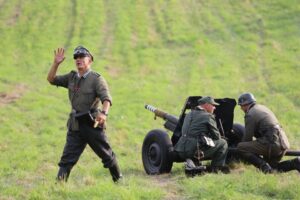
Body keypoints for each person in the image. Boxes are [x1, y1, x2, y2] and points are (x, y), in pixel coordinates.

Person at [47, 46, 122, 182]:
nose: (78, 59)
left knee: (106, 155)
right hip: (75, 124)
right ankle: (59, 188)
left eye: (82, 57)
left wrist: (104, 114)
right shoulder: (71, 77)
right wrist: (56, 64)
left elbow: (107, 99)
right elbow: (51, 79)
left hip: (92, 123)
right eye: (76, 57)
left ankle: (119, 180)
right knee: (67, 159)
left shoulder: (96, 79)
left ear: (90, 60)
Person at [237, 92, 300, 173]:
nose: (241, 108)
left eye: (241, 106)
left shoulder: (250, 114)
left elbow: (247, 138)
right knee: (273, 169)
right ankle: (295, 163)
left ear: (245, 104)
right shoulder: (262, 108)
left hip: (271, 144)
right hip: (282, 142)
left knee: (241, 147)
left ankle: (264, 166)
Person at [174, 96, 229, 173]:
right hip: (194, 151)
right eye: (213, 105)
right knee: (223, 143)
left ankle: (192, 162)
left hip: (180, 150)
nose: (214, 108)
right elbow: (217, 137)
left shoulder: (188, 114)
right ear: (206, 105)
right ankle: (217, 169)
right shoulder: (208, 116)